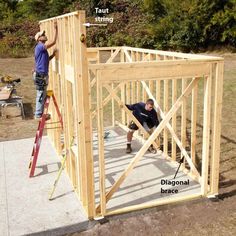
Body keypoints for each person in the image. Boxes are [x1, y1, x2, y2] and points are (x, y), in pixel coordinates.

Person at [33, 21, 58, 119]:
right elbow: (54, 42)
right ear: (39, 39)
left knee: (42, 94)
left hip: (42, 74)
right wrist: (56, 29)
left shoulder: (42, 49)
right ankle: (38, 114)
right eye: (42, 35)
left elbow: (46, 60)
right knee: (40, 94)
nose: (44, 35)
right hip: (41, 75)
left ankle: (40, 113)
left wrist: (52, 55)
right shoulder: (40, 47)